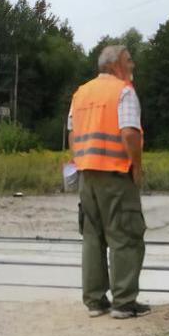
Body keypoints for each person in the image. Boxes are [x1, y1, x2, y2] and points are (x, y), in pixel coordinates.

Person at [68, 44, 149, 319]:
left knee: (92, 237)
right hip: (115, 173)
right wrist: (136, 166)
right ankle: (124, 302)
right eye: (129, 60)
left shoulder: (81, 93)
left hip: (86, 174)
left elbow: (72, 133)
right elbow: (129, 133)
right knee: (125, 235)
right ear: (115, 65)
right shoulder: (123, 91)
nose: (133, 65)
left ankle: (95, 301)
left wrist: (81, 162)